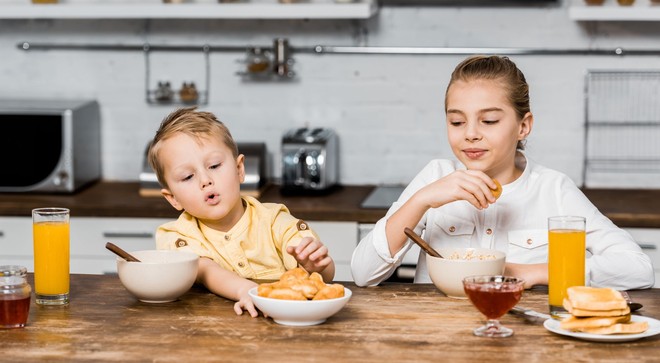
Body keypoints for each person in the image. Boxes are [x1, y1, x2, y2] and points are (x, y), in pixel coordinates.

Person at [351, 55, 654, 291]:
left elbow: (638, 268)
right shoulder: (435, 176)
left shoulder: (553, 190)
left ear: (524, 125)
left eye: (490, 121)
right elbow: (364, 275)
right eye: (456, 122)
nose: (470, 134)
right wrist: (421, 201)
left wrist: (529, 273)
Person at [147, 106, 336, 317]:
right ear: (173, 198)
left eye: (215, 165)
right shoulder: (177, 236)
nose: (205, 180)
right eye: (187, 177)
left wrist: (316, 267)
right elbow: (204, 270)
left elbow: (325, 277)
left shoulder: (276, 222)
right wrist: (244, 290)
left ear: (239, 170)